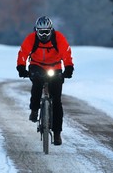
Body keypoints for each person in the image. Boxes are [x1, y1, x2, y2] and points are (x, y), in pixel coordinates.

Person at [16, 16, 74, 145]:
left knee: (57, 101)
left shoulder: (58, 38)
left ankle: (57, 133)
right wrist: (21, 67)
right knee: (37, 85)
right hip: (37, 65)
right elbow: (23, 53)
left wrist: (69, 68)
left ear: (51, 30)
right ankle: (34, 109)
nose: (43, 34)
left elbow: (66, 53)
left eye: (46, 32)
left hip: (55, 66)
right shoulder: (31, 38)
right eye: (40, 31)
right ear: (36, 30)